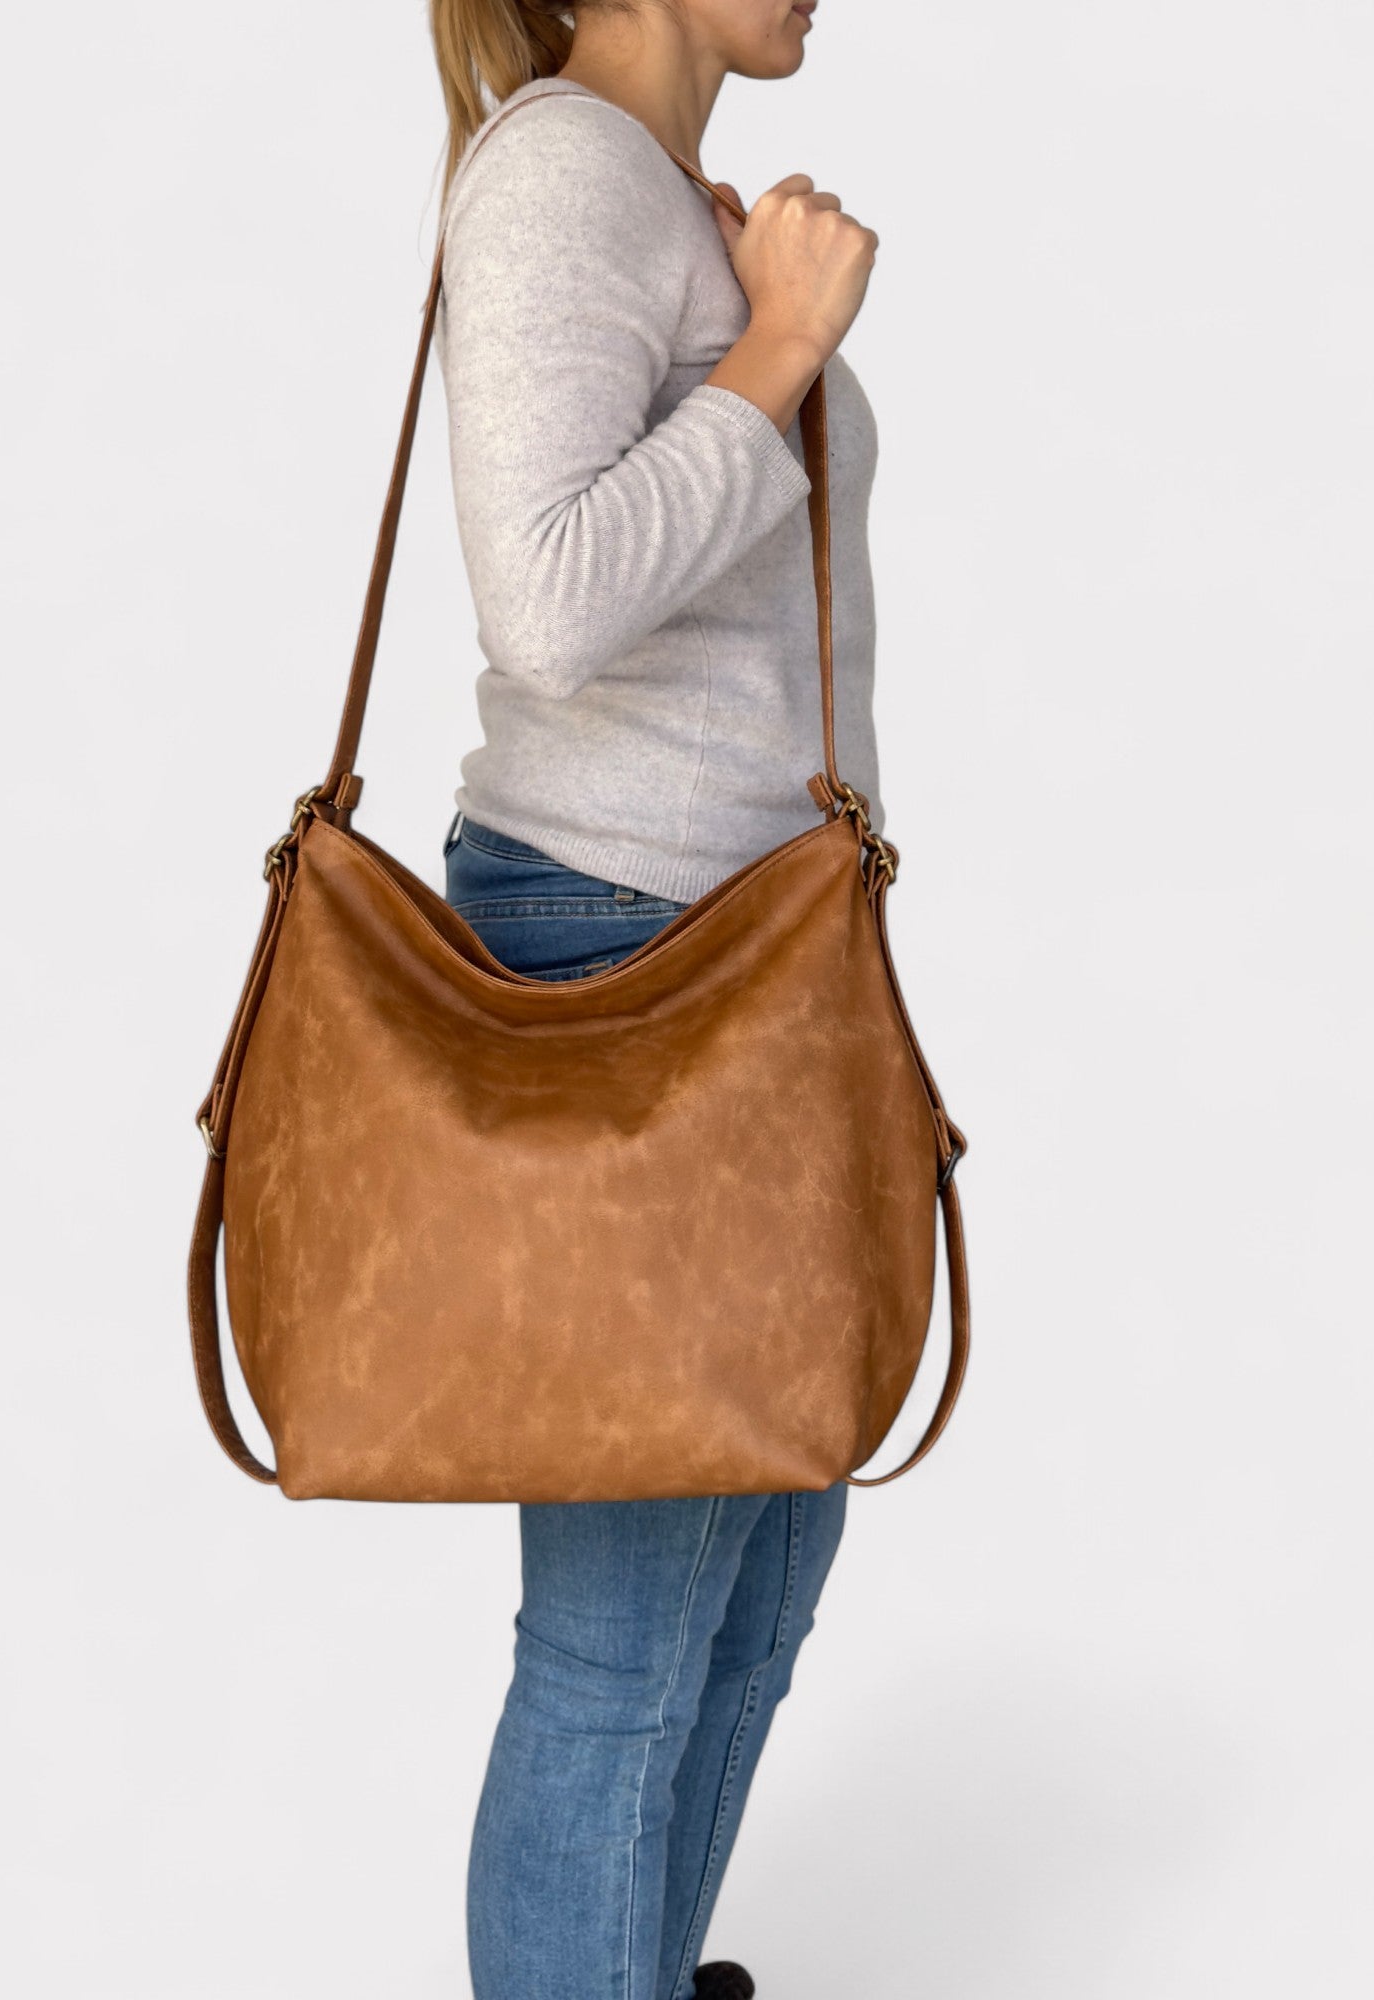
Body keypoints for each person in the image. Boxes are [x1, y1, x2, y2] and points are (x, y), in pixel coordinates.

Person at [428, 4, 884, 1996]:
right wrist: (774, 349)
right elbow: (541, 614)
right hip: (630, 959)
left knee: (755, 1573)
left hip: (749, 945)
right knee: (624, 1639)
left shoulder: (659, 201)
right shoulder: (551, 177)